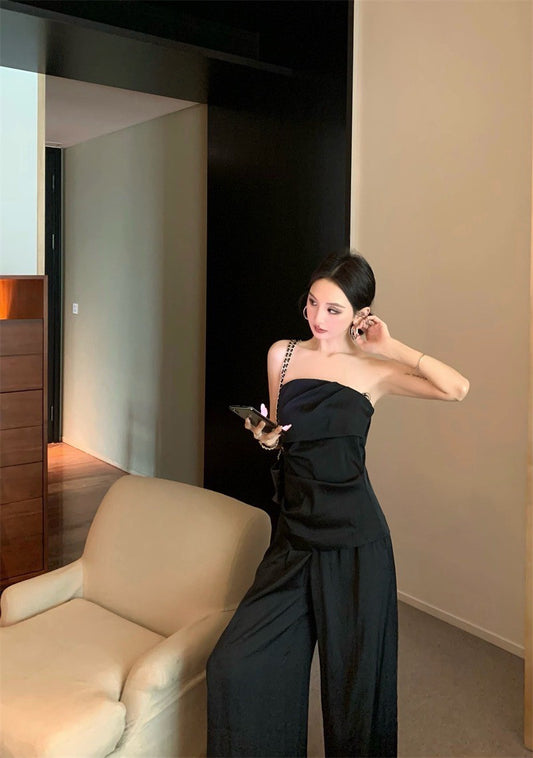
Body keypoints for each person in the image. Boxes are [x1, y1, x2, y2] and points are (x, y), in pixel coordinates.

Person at [206, 251, 470, 758]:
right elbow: (284, 436)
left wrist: (391, 346)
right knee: (234, 665)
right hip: (294, 538)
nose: (317, 318)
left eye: (333, 310)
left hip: (356, 543)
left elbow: (456, 388)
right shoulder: (282, 354)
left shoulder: (375, 369)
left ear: (360, 315)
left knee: (355, 692)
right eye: (312, 303)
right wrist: (267, 439)